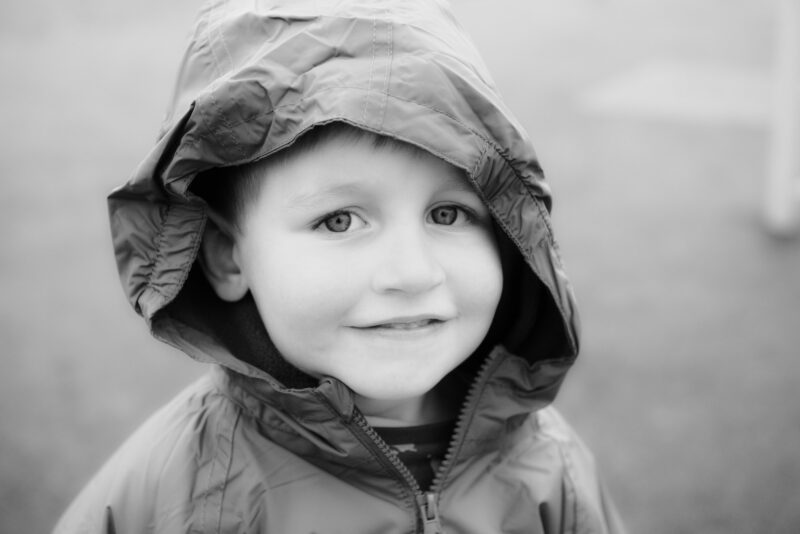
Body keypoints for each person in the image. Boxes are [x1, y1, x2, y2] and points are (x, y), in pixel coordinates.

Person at [54, 0, 626, 532]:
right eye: (340, 221)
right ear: (228, 257)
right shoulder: (179, 494)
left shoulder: (550, 469)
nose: (411, 272)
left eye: (448, 214)